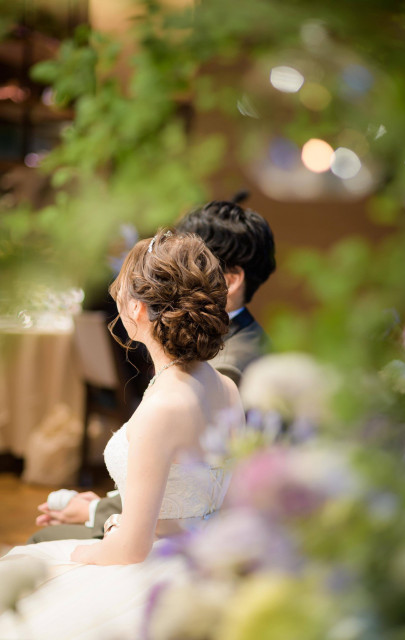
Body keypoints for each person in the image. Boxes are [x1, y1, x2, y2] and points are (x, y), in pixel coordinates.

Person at [0, 230, 244, 639]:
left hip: (156, 569)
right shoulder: (225, 387)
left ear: (137, 308)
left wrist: (80, 554)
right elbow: (216, 504)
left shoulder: (164, 404)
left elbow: (133, 549)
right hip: (199, 559)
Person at [30, 196, 276, 544]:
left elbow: (201, 486)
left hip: (177, 536)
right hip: (161, 516)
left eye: (194, 261)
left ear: (231, 279)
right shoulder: (207, 350)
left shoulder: (226, 366)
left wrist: (98, 512)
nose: (178, 273)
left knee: (40, 545)